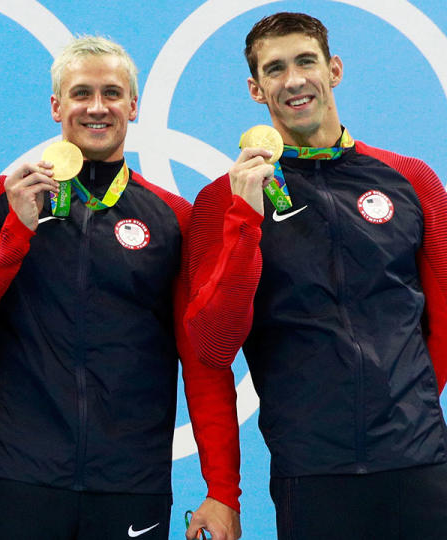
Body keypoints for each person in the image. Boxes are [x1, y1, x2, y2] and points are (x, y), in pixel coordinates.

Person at [0, 36, 241, 540]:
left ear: (134, 106)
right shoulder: (1, 198)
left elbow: (203, 363)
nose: (97, 107)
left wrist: (223, 489)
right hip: (24, 472)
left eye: (112, 93)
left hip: (132, 479)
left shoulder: (174, 219)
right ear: (56, 106)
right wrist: (17, 235)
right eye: (81, 93)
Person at [186, 11, 447, 538]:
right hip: (310, 471)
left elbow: (443, 319)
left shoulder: (411, 179)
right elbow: (211, 348)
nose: (294, 80)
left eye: (306, 61)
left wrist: (407, 404)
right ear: (256, 90)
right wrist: (243, 218)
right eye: (275, 69)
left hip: (418, 463)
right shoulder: (221, 201)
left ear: (335, 70)